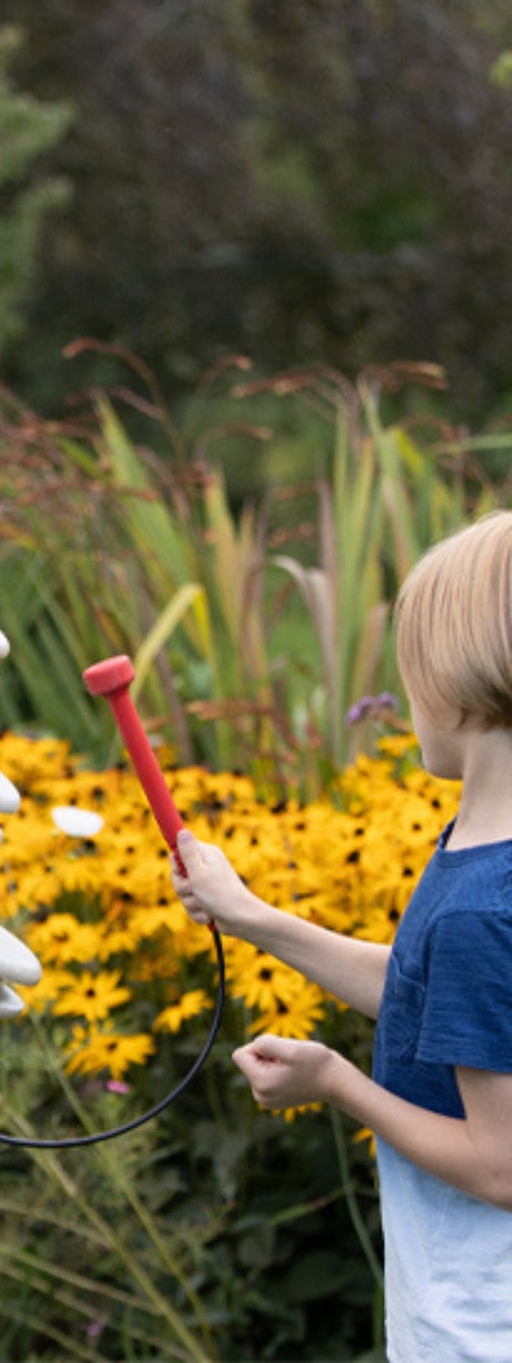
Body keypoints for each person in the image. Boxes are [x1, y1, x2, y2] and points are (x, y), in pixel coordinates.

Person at [173, 510, 512, 1362]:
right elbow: (424, 990)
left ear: (455, 682)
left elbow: (501, 1165)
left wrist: (337, 1083)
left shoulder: (484, 901)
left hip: (479, 1320)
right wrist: (250, 915)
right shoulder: (482, 852)